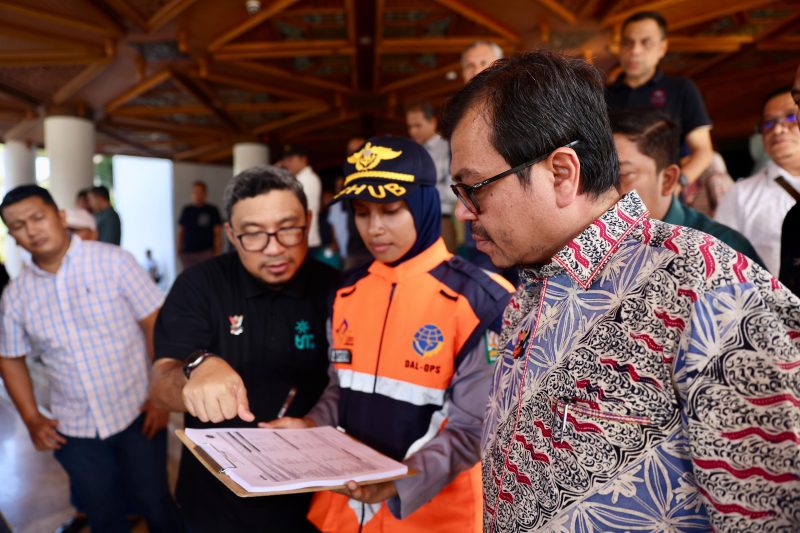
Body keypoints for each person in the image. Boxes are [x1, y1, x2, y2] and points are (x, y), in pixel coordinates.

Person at [442, 50, 800, 532]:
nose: (464, 212)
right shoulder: (531, 290)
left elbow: (773, 513)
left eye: (474, 188)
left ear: (562, 173)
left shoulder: (708, 285)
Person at [186, 137, 515, 531]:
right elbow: (339, 390)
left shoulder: (481, 300)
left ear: (425, 204)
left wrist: (396, 482)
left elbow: (472, 431)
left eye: (391, 211)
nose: (374, 228)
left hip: (428, 515)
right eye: (361, 213)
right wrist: (311, 426)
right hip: (343, 511)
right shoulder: (346, 291)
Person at [149, 166, 339, 532]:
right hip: (217, 494)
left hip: (313, 493)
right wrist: (198, 368)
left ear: (309, 220)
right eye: (253, 235)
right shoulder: (199, 285)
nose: (273, 248)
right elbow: (160, 385)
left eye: (288, 228)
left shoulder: (336, 289)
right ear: (232, 235)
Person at [0, 185, 181, 533]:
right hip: (75, 429)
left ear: (61, 216)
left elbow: (154, 324)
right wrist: (32, 417)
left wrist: (160, 397)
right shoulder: (16, 295)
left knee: (156, 503)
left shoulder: (113, 261)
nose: (32, 230)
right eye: (19, 226)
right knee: (103, 514)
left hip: (137, 412)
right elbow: (10, 358)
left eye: (38, 217)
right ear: (13, 236)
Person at [610, 109, 764, 266]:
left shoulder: (723, 250)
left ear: (667, 180)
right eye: (598, 176)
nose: (605, 189)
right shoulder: (599, 242)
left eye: (622, 174)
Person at [606, 11, 713, 186]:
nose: (635, 51)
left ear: (662, 48)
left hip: (662, 191)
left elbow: (703, 151)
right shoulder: (602, 95)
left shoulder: (681, 88)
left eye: (645, 43)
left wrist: (678, 184)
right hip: (612, 193)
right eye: (628, 42)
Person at [715, 86, 800, 276]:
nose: (778, 129)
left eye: (790, 117)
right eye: (768, 123)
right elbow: (720, 260)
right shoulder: (740, 194)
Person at [406, 101, 457, 251]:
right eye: (410, 126)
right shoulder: (412, 152)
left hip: (440, 219)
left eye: (418, 125)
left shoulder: (450, 146)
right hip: (415, 221)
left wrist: (424, 194)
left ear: (432, 122)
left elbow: (454, 188)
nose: (413, 131)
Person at [277, 145, 322, 253]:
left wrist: (276, 173)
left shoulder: (307, 179)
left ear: (303, 159)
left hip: (306, 239)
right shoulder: (300, 179)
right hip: (303, 238)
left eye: (290, 159)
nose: (286, 164)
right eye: (285, 160)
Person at [177, 180, 222, 270]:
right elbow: (181, 231)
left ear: (205, 194)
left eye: (200, 192)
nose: (197, 194)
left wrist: (217, 252)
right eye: (195, 192)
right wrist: (178, 249)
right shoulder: (187, 210)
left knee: (206, 278)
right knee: (189, 279)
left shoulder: (212, 210)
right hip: (188, 253)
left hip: (206, 252)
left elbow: (217, 232)